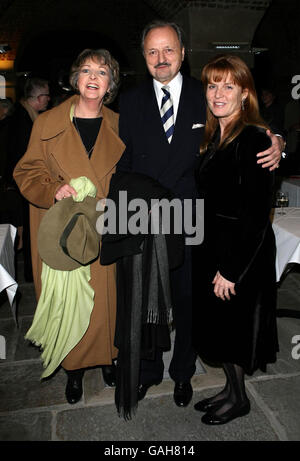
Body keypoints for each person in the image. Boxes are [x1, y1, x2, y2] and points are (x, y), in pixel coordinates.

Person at [117, 20, 283, 408]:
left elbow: (252, 124)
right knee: (148, 302)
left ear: (183, 53)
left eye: (169, 50)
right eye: (153, 51)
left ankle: (182, 374)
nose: (161, 58)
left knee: (191, 302)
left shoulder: (205, 94)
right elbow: (121, 158)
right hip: (147, 217)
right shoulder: (130, 100)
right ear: (143, 57)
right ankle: (148, 371)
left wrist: (279, 142)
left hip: (196, 223)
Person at [13, 49, 125, 404]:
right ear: (76, 78)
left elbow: (132, 175)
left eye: (102, 72)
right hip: (62, 230)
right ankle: (73, 369)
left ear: (110, 83)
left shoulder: (120, 125)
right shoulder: (47, 123)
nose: (93, 77)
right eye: (87, 70)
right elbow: (26, 172)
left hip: (102, 227)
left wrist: (117, 200)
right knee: (69, 303)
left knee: (106, 301)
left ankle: (108, 358)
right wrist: (52, 188)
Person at [192, 54, 279, 425]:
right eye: (213, 84)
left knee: (234, 330)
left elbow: (257, 214)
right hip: (216, 246)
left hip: (242, 252)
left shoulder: (254, 137)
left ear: (245, 94)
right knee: (223, 328)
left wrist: (231, 270)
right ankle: (230, 389)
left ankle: (239, 399)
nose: (218, 93)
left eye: (228, 85)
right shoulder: (216, 135)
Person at [5, 78, 50, 280]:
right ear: (39, 98)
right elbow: (25, 158)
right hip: (19, 184)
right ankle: (30, 273)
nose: (49, 99)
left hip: (14, 183)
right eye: (47, 96)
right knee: (25, 231)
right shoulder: (25, 121)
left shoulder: (20, 115)